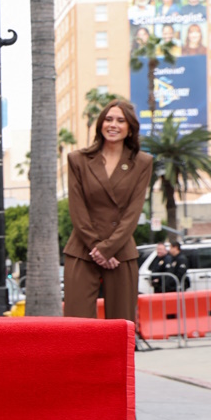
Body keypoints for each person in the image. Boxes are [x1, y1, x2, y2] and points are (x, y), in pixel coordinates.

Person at [63, 99, 154, 321]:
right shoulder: (78, 160)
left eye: (120, 121)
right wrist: (98, 248)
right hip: (82, 250)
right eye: (108, 119)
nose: (113, 125)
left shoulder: (142, 162)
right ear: (100, 124)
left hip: (120, 252)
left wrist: (109, 248)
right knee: (78, 325)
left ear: (130, 128)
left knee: (121, 325)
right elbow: (77, 209)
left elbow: (133, 211)